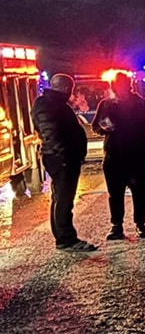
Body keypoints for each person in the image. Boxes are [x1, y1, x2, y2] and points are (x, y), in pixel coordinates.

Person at [31, 74, 97, 252]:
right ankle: (66, 239)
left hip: (58, 157)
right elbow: (51, 133)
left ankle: (63, 237)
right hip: (62, 159)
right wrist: (65, 156)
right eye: (71, 89)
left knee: (59, 198)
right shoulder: (51, 105)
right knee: (64, 200)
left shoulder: (46, 103)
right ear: (66, 88)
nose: (72, 93)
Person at [92, 71, 145, 240]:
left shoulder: (141, 104)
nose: (119, 89)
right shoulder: (106, 104)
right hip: (113, 157)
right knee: (115, 193)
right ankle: (117, 226)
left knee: (139, 192)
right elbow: (95, 126)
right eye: (117, 86)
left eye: (122, 86)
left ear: (129, 86)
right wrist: (103, 128)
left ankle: (140, 225)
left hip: (136, 156)